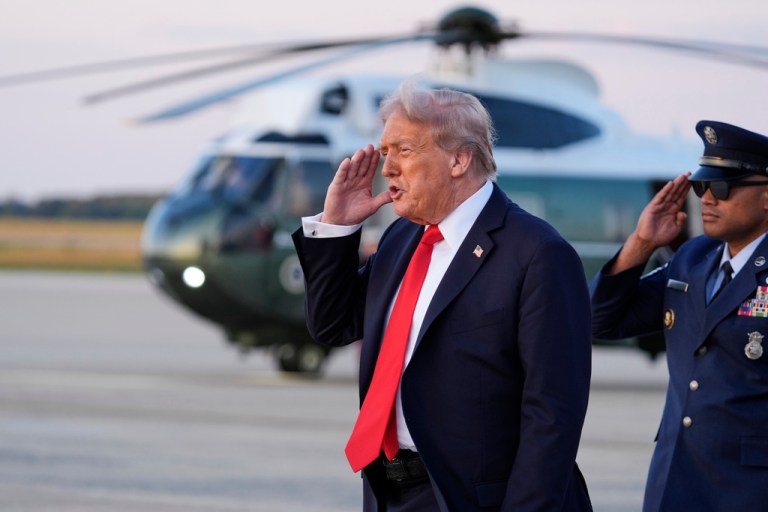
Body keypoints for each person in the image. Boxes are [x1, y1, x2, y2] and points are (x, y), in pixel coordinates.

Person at [292, 80, 593, 511]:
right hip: (389, 492)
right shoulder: (401, 239)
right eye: (385, 152)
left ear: (458, 159)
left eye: (405, 150)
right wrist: (337, 227)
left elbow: (552, 416)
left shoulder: (538, 254)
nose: (388, 168)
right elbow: (331, 324)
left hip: (477, 499)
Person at [590, 120, 768, 512]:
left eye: (722, 188)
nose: (707, 199)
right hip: (676, 479)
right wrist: (641, 244)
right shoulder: (693, 258)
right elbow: (599, 322)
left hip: (750, 489)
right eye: (703, 187)